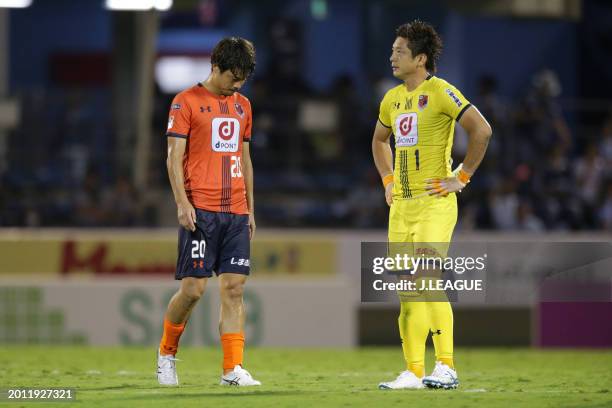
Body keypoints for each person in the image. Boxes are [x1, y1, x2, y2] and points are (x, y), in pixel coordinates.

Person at [372, 20, 492, 390]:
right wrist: (388, 180)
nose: (392, 55)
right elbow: (379, 141)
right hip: (402, 207)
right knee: (408, 291)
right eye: (393, 49)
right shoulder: (391, 99)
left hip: (434, 203)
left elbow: (482, 129)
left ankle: (446, 366)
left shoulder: (441, 91)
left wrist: (463, 176)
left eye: (400, 51)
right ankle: (413, 371)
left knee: (427, 281)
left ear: (420, 58)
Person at [156, 37, 260, 387]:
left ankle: (232, 369)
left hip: (235, 212)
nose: (238, 84)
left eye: (243, 78)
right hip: (201, 210)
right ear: (215, 67)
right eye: (233, 76)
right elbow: (174, 157)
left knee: (234, 288)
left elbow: (244, 160)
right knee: (194, 290)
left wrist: (251, 210)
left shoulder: (243, 105)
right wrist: (182, 203)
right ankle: (167, 354)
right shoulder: (185, 102)